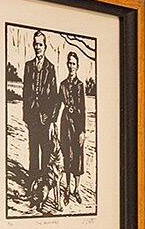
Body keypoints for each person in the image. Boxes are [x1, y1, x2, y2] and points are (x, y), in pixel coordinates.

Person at [18, 32, 60, 213]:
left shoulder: (50, 68)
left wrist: (51, 121)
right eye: (35, 44)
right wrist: (26, 116)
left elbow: (55, 98)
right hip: (32, 118)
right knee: (32, 153)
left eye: (40, 44)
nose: (37, 47)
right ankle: (32, 187)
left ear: (45, 46)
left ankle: (43, 191)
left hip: (46, 119)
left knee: (45, 156)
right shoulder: (28, 66)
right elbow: (25, 93)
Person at [57, 55, 91, 209]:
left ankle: (77, 189)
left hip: (77, 125)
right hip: (65, 124)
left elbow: (82, 108)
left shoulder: (80, 85)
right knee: (66, 156)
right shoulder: (63, 85)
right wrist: (54, 122)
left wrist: (82, 131)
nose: (71, 66)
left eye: (73, 64)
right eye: (69, 63)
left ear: (77, 66)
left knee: (77, 157)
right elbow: (58, 105)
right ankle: (68, 189)